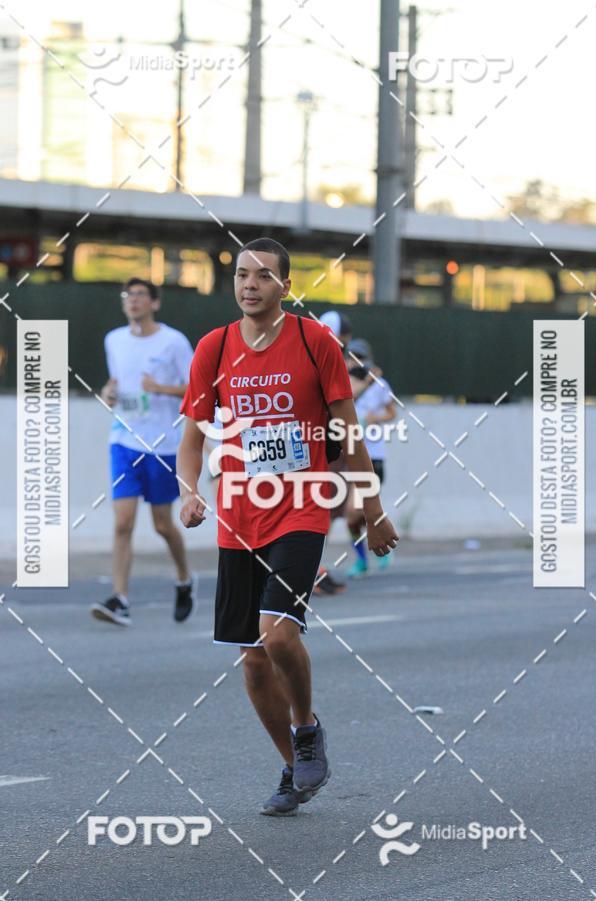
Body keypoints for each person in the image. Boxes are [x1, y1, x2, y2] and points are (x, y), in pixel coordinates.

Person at [177, 237, 398, 816]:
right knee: (252, 658)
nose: (250, 284)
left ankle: (306, 728)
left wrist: (371, 511)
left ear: (286, 287)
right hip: (239, 516)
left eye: (263, 276)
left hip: (301, 504)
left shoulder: (314, 341)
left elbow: (348, 433)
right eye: (242, 275)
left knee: (278, 634)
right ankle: (292, 767)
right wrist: (189, 490)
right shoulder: (214, 348)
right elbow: (193, 435)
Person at [91, 277, 195, 627]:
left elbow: (196, 390)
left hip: (162, 444)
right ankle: (120, 599)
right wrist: (108, 391)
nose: (132, 301)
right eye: (127, 295)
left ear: (154, 303)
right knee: (123, 522)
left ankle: (184, 579)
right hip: (123, 439)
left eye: (139, 295)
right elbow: (117, 381)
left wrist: (161, 388)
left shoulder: (174, 341)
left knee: (163, 524)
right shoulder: (114, 340)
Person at [346, 338, 397, 577]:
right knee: (351, 519)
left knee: (356, 511)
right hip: (350, 457)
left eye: (359, 357)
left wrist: (376, 418)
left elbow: (391, 412)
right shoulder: (346, 383)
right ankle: (362, 560)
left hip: (372, 457)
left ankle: (382, 543)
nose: (354, 361)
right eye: (351, 356)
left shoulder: (380, 384)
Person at [313, 309, 353, 595]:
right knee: (321, 509)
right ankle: (312, 570)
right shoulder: (332, 359)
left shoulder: (308, 351)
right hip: (324, 449)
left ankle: (312, 568)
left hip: (321, 446)